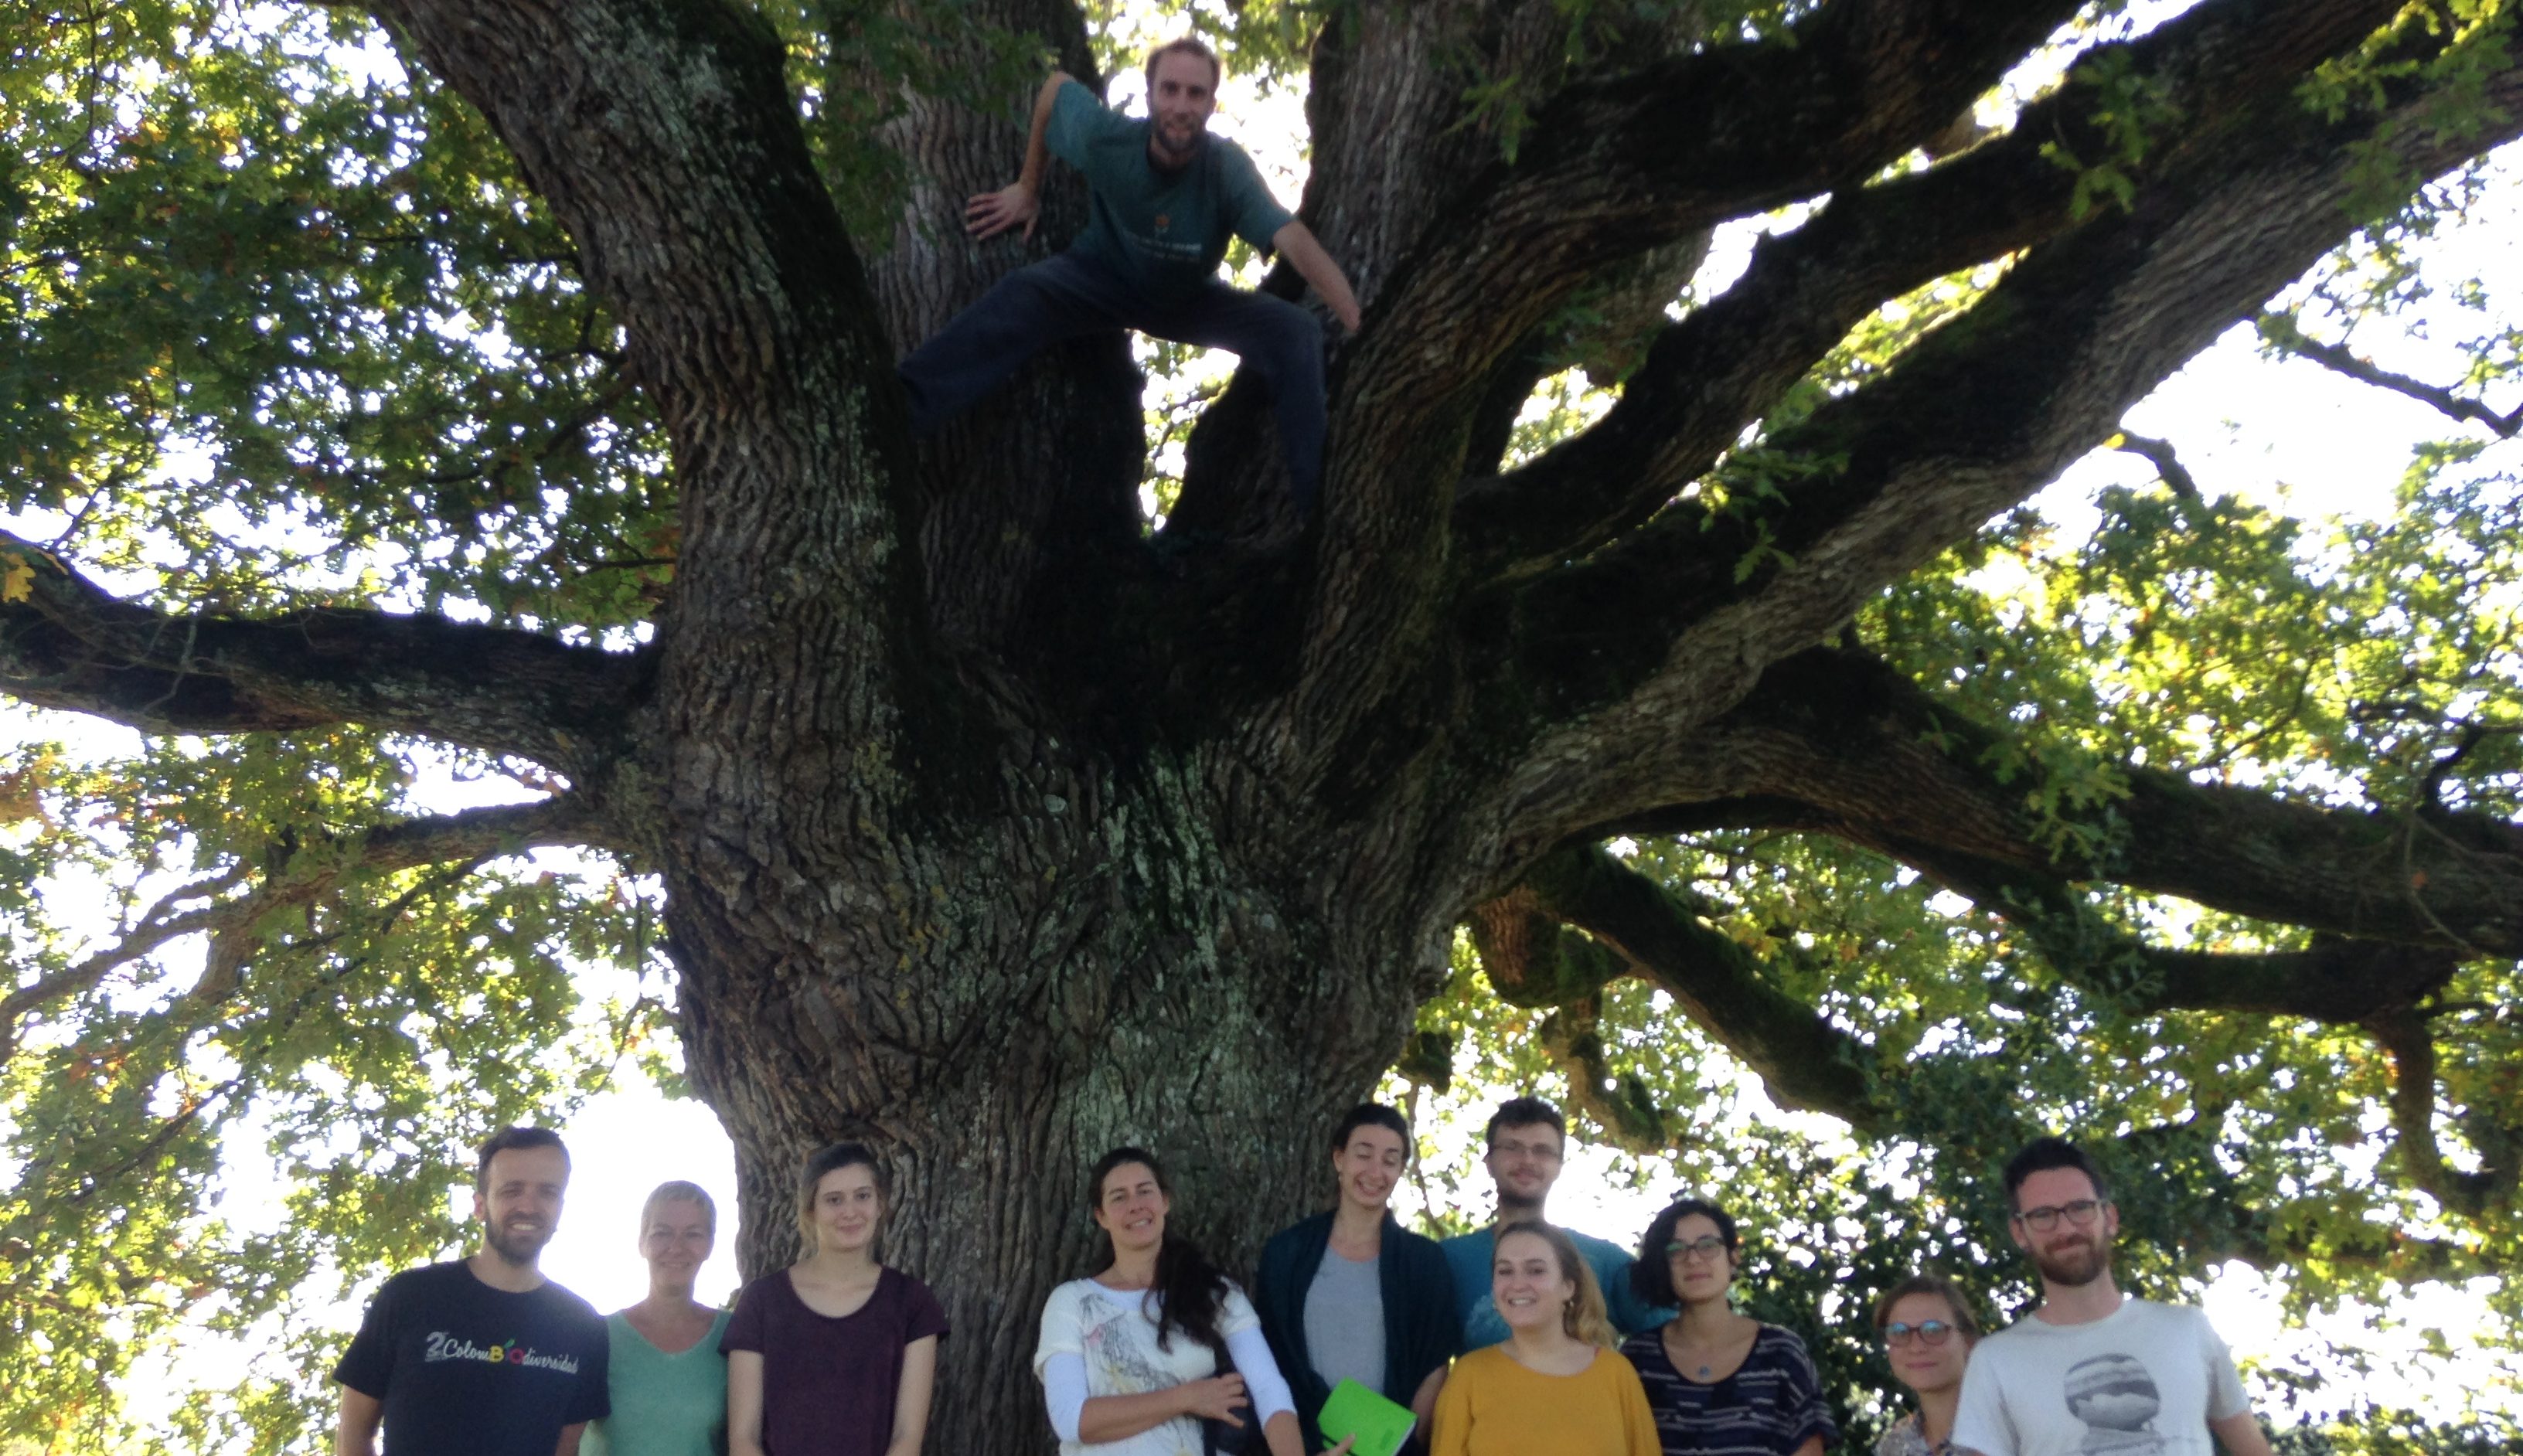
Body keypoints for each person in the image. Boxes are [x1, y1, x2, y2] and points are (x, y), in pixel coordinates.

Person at [898, 37, 1363, 519]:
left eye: (1196, 94)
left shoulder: (1226, 170)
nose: (1182, 106)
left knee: (1297, 331)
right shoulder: (1109, 141)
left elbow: (1293, 241)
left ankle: (1318, 517)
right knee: (1022, 294)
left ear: (1211, 103)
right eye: (1171, 90)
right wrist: (1027, 186)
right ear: (1150, 95)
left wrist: (1352, 316)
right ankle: (900, 410)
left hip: (1187, 300)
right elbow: (1056, 89)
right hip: (1099, 279)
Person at [1951, 1138, 2273, 1456]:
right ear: (2020, 1233)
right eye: (2043, 1215)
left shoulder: (2188, 1330)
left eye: (2080, 1208)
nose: (2065, 1229)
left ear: (2111, 1218)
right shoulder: (1996, 1361)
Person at [1033, 1147, 1328, 1456]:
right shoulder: (1072, 1302)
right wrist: (1187, 1398)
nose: (1135, 1205)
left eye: (1144, 1191)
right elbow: (1071, 1419)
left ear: (1165, 1201)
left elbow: (1268, 1389)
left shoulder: (1215, 1293)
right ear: (1101, 1216)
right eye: (1119, 1197)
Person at [335, 1126, 609, 1456]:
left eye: (547, 1192)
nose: (529, 1206)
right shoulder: (410, 1298)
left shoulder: (582, 1327)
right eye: (512, 1190)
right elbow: (353, 1434)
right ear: (480, 1206)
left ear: (560, 1207)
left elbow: (566, 1449)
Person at [1255, 1104, 1461, 1450]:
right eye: (1363, 1155)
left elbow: (1434, 1367)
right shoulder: (1286, 1253)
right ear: (1339, 1159)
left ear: (1400, 1171)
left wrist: (1402, 1448)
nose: (1375, 1171)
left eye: (1390, 1160)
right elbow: (1270, 1361)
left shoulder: (1423, 1261)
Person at [724, 1144, 947, 1456]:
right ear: (810, 1210)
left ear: (880, 1203)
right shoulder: (762, 1302)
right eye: (834, 1200)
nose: (850, 1212)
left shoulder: (910, 1303)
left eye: (863, 1196)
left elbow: (907, 1436)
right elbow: (744, 1436)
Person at [1438, 1097, 1671, 1349]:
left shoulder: (1606, 1261)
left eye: (1542, 1151)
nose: (1527, 1160)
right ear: (1489, 1163)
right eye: (1512, 1147)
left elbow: (1681, 1337)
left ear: (1559, 1166)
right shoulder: (1447, 1260)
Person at [1619, 1198, 1834, 1456]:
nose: (1694, 1259)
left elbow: (1810, 1448)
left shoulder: (1781, 1352)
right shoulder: (1637, 1359)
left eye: (1708, 1245)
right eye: (1676, 1250)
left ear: (1733, 1257)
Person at [1428, 1220, 1659, 1456]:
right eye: (1505, 1271)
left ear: (1569, 1286)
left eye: (1536, 1270)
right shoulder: (1469, 1376)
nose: (1517, 1284)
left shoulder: (1616, 1373)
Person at [585, 1181, 732, 1456]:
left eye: (693, 1234)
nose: (676, 1247)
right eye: (662, 1233)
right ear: (642, 1242)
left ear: (710, 1245)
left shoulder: (735, 1336)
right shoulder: (598, 1337)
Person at [1872, 1272, 1982, 1456]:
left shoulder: (2011, 1433)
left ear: (1969, 1342)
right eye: (1899, 1332)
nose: (1916, 1347)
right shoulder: (1894, 1445)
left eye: (1934, 1330)